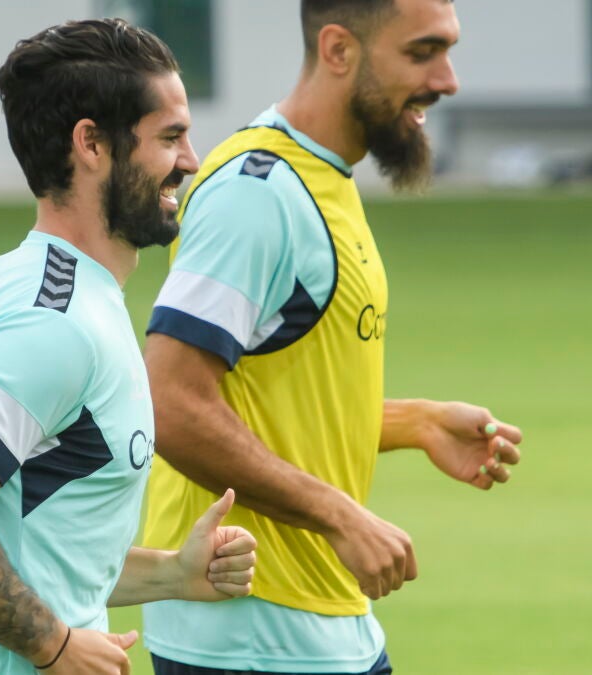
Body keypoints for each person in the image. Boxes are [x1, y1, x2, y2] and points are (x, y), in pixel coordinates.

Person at [139, 1, 524, 674]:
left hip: (313, 620)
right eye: (422, 52)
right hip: (252, 628)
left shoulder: (319, 178)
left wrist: (416, 422)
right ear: (339, 50)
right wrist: (340, 515)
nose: (447, 79)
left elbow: (271, 403)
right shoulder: (257, 195)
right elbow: (169, 402)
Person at [0, 18, 258, 675]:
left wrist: (173, 573)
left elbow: (42, 556)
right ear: (92, 144)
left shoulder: (58, 291)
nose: (191, 160)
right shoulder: (51, 318)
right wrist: (51, 643)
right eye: (169, 137)